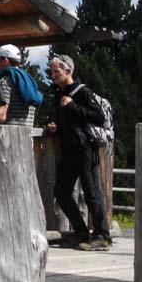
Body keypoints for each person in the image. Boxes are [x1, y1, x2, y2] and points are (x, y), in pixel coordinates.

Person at [45, 54, 110, 250]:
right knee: (61, 192)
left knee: (91, 193)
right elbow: (69, 121)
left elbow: (98, 117)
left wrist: (72, 106)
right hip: (69, 148)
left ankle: (102, 236)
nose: (53, 75)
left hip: (84, 148)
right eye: (52, 72)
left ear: (68, 71)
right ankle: (81, 233)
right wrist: (55, 127)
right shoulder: (59, 93)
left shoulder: (82, 92)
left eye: (57, 71)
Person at [0, 43, 41, 126]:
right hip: (27, 130)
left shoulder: (5, 81)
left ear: (5, 60)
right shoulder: (29, 80)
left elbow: (1, 112)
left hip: (10, 131)